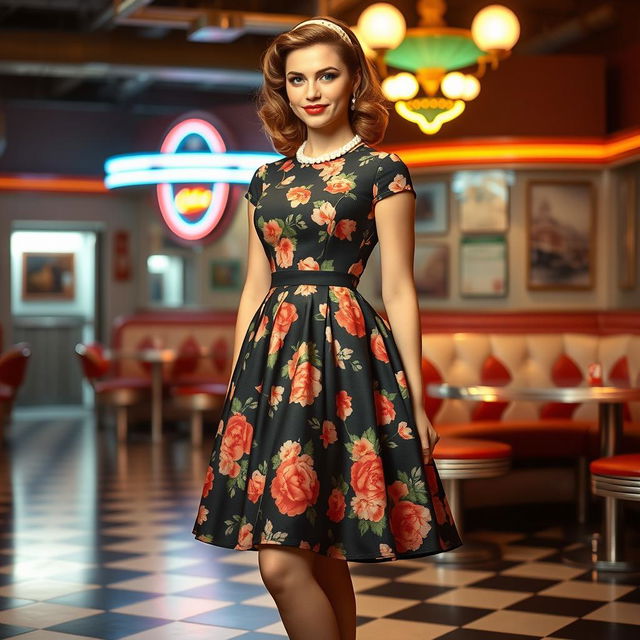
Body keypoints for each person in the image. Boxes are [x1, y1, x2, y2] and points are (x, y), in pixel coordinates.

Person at [192, 15, 462, 640]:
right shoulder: (265, 179)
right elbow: (253, 288)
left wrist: (418, 400)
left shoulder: (382, 170)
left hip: (346, 356)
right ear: (282, 90)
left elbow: (399, 288)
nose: (311, 91)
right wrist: (239, 390)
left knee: (297, 556)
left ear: (353, 83)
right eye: (297, 79)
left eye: (327, 75)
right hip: (271, 364)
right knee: (308, 553)